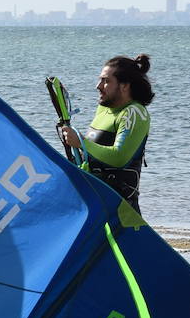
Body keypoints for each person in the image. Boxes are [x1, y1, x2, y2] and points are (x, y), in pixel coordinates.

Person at [60, 54, 154, 214]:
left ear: (125, 85)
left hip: (119, 208)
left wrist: (81, 143)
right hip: (94, 200)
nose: (98, 86)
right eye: (100, 80)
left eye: (106, 81)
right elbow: (94, 153)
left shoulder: (134, 113)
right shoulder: (104, 109)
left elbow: (119, 158)